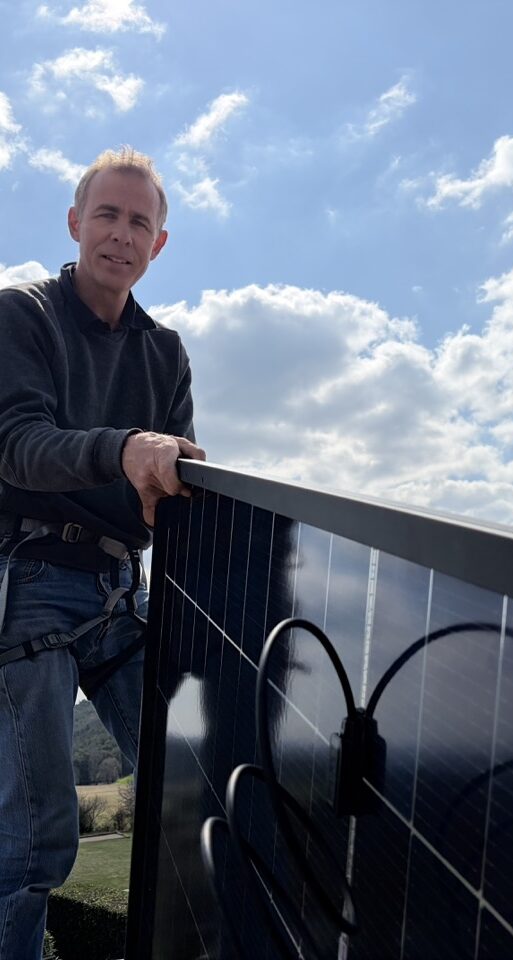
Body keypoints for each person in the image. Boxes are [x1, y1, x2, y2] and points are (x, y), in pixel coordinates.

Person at [0, 146, 205, 960]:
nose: (121, 235)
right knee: (37, 840)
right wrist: (122, 452)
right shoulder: (23, 317)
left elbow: (176, 488)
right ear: (76, 222)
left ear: (159, 245)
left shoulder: (167, 352)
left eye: (140, 222)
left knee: (198, 773)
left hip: (127, 592)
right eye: (109, 215)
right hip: (36, 586)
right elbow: (17, 445)